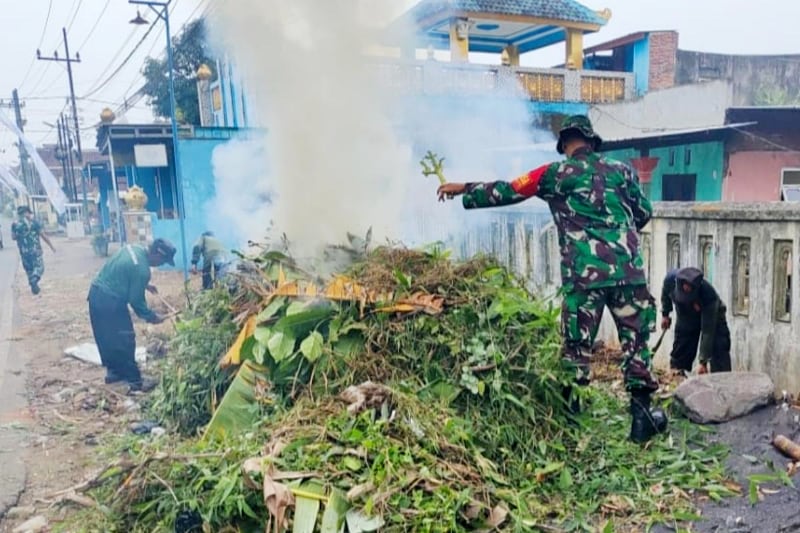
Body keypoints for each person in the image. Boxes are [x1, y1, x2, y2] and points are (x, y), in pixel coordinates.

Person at [436, 114, 667, 443]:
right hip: (628, 274)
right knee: (636, 347)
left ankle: (571, 427)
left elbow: (510, 190)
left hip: (583, 279)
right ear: (592, 142)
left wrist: (466, 190)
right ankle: (642, 420)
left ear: (564, 146)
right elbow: (643, 212)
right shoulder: (624, 171)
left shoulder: (554, 174)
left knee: (576, 350)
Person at [88, 238, 176, 391]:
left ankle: (113, 372)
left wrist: (145, 285)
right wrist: (151, 317)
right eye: (163, 261)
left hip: (95, 294)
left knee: (106, 337)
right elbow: (136, 301)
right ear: (157, 254)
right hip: (111, 301)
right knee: (125, 338)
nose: (161, 265)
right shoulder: (142, 270)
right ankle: (136, 382)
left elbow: (125, 269)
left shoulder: (134, 248)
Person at [660, 267, 732, 375]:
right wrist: (665, 314)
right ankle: (677, 376)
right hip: (686, 315)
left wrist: (703, 362)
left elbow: (708, 331)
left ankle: (722, 382)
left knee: (718, 348)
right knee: (682, 346)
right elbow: (666, 294)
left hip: (714, 318)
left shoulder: (708, 294)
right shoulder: (670, 280)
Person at [11, 205, 55, 295]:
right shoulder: (34, 222)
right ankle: (34, 280)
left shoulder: (15, 224)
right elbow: (43, 235)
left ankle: (34, 289)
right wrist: (51, 246)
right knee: (39, 268)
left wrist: (21, 234)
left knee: (29, 269)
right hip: (35, 251)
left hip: (24, 252)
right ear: (27, 212)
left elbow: (13, 237)